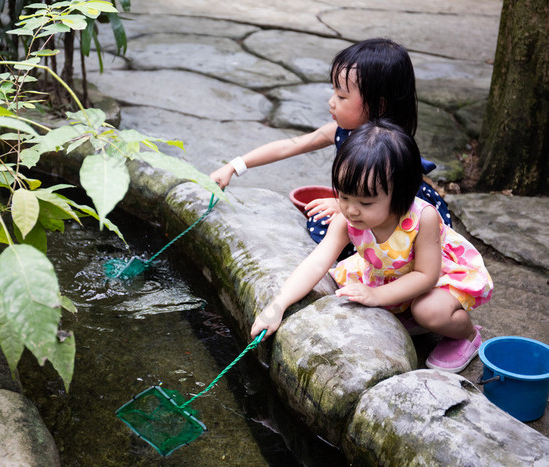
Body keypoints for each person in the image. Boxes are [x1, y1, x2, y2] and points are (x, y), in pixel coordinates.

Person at [250, 120, 493, 373]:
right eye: (343, 196)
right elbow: (317, 261)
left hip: (434, 276)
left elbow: (426, 275)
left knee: (428, 312)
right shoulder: (346, 220)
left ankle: (466, 336)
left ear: (402, 194)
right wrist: (277, 306)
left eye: (366, 203)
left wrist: (377, 296)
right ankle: (405, 309)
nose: (351, 210)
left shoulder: (423, 218)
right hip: (388, 272)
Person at [210, 38, 451, 250]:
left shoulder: (390, 150)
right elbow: (289, 145)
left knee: (326, 226)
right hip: (366, 215)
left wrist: (344, 205)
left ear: (379, 106)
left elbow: (390, 206)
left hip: (402, 225)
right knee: (321, 220)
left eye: (342, 96)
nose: (331, 102)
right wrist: (234, 166)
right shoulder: (340, 131)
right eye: (333, 91)